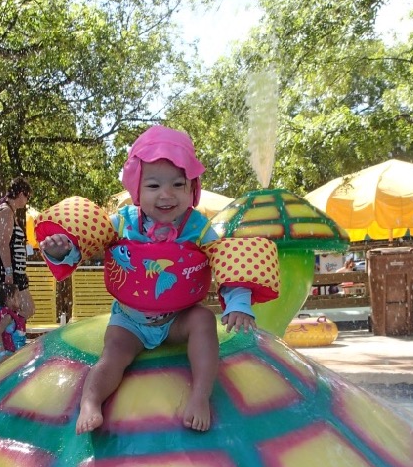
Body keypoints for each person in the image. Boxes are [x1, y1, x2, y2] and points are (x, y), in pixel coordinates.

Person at [37, 125, 279, 434]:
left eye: (178, 184)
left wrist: (239, 302)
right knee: (113, 355)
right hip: (130, 319)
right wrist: (62, 250)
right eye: (153, 185)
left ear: (192, 189)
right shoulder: (122, 222)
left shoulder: (198, 227)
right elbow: (87, 244)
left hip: (178, 318)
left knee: (204, 321)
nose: (166, 194)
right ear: (137, 189)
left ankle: (200, 396)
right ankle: (91, 401)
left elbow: (227, 259)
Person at [0, 179, 35, 321]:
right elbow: (3, 244)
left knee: (16, 309)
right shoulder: (6, 212)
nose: (27, 201)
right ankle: (2, 332)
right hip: (8, 271)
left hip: (13, 271)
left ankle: (9, 332)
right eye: (27, 197)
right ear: (20, 194)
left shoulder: (8, 211)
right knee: (27, 308)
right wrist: (9, 272)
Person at [0, 284, 28, 362]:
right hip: (9, 355)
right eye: (17, 296)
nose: (20, 299)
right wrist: (2, 354)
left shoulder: (14, 314)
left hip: (14, 354)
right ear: (8, 299)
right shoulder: (8, 317)